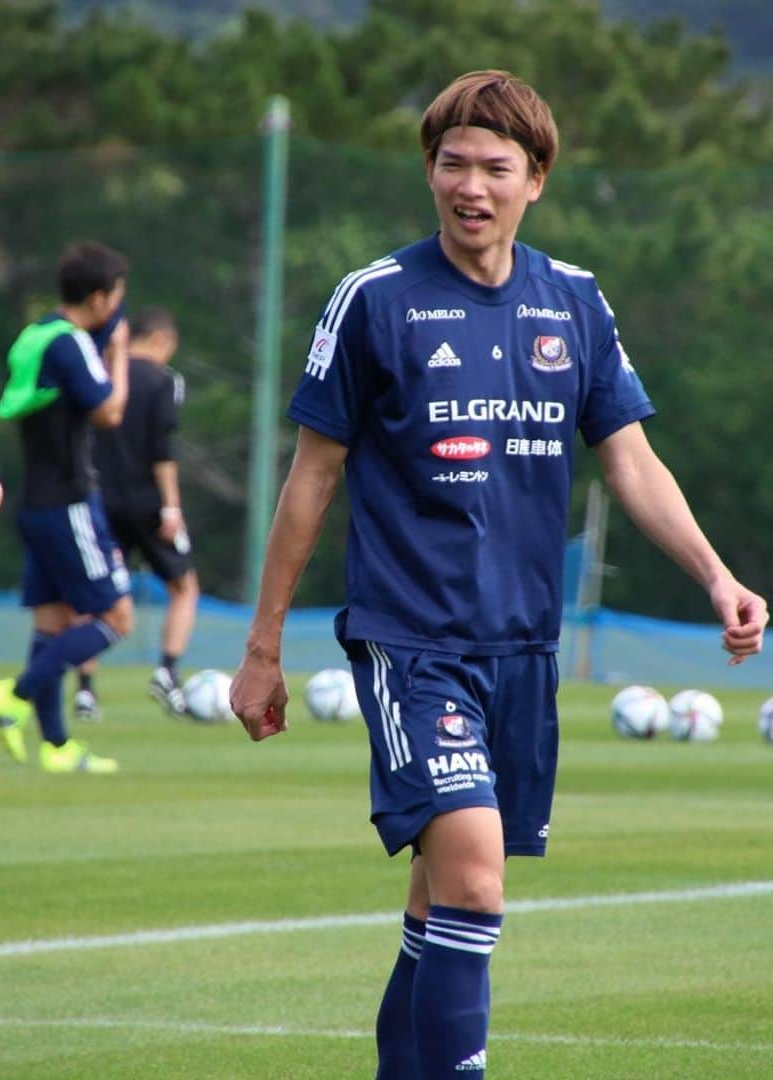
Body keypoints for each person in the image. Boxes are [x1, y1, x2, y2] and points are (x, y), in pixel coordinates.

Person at [229, 70, 768, 1080]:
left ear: (537, 181)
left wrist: (715, 576)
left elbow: (631, 460)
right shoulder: (375, 300)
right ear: (429, 171)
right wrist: (261, 650)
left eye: (494, 168)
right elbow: (310, 480)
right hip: (412, 642)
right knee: (476, 883)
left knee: (441, 906)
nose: (469, 186)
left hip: (524, 647)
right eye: (451, 164)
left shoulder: (573, 299)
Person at [0, 241, 132, 773]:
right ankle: (15, 695)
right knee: (116, 616)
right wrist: (119, 356)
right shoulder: (72, 344)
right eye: (116, 297)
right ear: (99, 297)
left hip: (36, 504)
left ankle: (57, 746)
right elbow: (109, 411)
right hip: (69, 502)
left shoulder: (35, 336)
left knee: (55, 623)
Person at [75, 306, 199, 720]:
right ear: (162, 339)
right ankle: (166, 671)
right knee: (183, 587)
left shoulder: (102, 375)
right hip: (148, 503)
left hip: (100, 501)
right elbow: (162, 450)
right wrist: (171, 507)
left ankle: (86, 691)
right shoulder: (164, 380)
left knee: (94, 599)